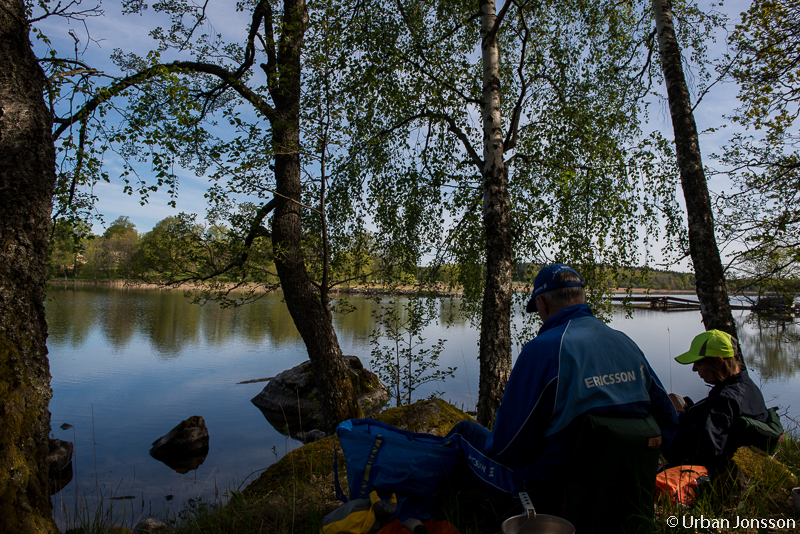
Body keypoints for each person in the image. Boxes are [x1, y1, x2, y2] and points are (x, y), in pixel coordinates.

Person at [447, 263, 678, 511]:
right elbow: (669, 420)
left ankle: (444, 509)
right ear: (582, 297)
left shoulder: (543, 350)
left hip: (547, 492)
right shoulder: (626, 343)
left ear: (543, 304)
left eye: (538, 310)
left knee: (464, 433)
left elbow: (507, 444)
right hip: (622, 489)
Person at [664, 330, 769, 473]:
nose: (694, 369)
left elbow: (701, 454)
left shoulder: (725, 399)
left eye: (699, 364)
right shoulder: (747, 386)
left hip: (713, 474)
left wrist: (679, 416)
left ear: (718, 361)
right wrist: (690, 408)